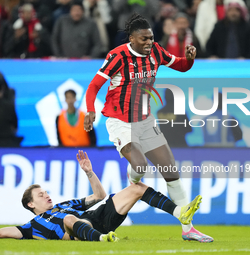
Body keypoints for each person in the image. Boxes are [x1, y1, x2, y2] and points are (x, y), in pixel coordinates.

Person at [84, 13, 213, 242]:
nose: (149, 43)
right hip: (120, 121)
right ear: (132, 39)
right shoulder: (118, 56)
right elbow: (94, 85)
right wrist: (90, 110)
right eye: (144, 39)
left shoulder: (156, 52)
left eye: (151, 38)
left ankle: (188, 229)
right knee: (140, 165)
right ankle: (133, 181)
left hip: (144, 120)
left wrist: (190, 59)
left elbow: (181, 66)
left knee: (171, 171)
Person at [0, 150, 203, 241]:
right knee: (69, 220)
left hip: (96, 216)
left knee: (135, 188)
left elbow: (99, 195)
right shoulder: (31, 227)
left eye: (46, 192)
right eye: (41, 195)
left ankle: (180, 213)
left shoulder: (65, 204)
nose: (47, 196)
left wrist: (90, 172)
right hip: (82, 230)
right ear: (30, 204)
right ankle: (102, 240)